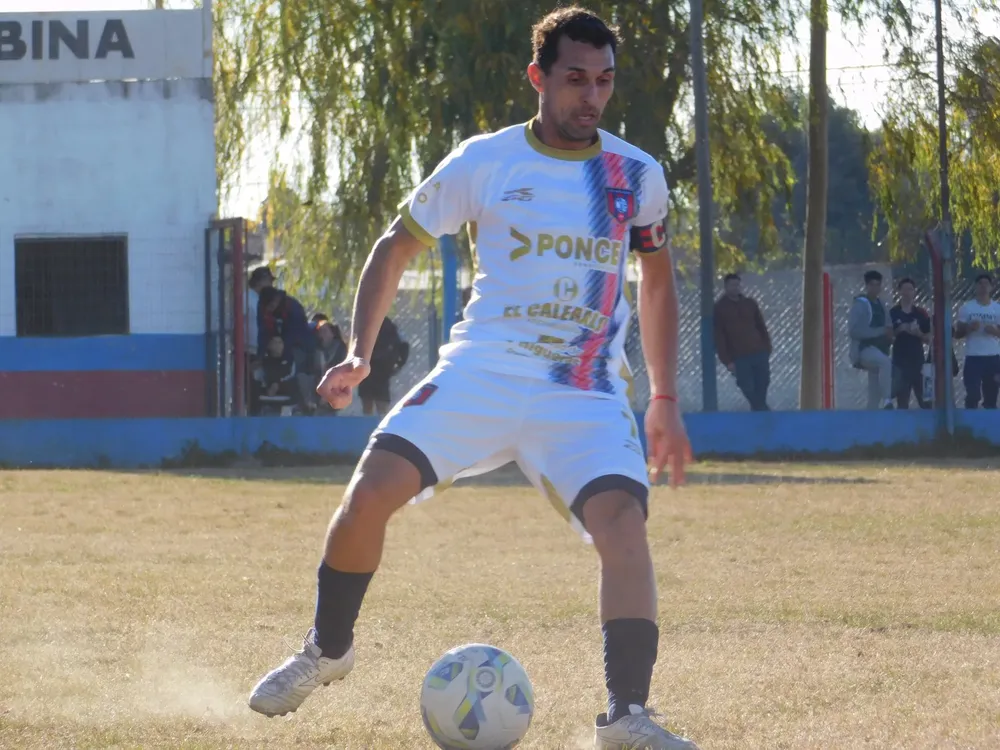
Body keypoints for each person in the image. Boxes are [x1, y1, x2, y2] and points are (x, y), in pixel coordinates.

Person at [247, 8, 697, 749]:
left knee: (625, 527)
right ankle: (327, 650)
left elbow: (656, 278)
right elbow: (395, 247)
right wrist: (359, 352)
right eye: (577, 79)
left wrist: (666, 398)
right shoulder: (484, 161)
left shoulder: (635, 175)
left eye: (605, 82)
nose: (592, 96)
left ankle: (628, 716)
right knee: (367, 495)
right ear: (539, 78)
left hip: (581, 389)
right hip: (482, 369)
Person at [713, 273, 772, 411]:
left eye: (737, 285)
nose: (735, 288)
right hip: (738, 355)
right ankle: (760, 408)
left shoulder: (750, 304)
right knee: (746, 384)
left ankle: (759, 408)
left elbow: (760, 325)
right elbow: (719, 336)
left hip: (758, 351)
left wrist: (767, 347)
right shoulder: (720, 308)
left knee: (763, 381)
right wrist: (727, 360)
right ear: (726, 287)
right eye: (732, 285)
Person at [848, 269, 895, 409]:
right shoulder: (860, 305)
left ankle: (871, 414)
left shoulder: (881, 305)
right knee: (885, 363)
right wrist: (880, 332)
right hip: (865, 349)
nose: (875, 288)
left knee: (874, 391)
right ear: (867, 286)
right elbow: (854, 331)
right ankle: (888, 400)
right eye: (872, 285)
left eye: (878, 285)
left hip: (879, 350)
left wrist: (890, 335)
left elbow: (888, 326)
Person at [955, 273, 1000, 409]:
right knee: (973, 394)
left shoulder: (997, 308)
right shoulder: (967, 308)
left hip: (993, 358)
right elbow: (958, 333)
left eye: (986, 284)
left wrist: (995, 332)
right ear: (975, 287)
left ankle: (988, 426)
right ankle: (970, 423)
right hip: (974, 357)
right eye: (980, 284)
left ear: (991, 287)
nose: (983, 287)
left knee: (991, 396)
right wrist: (969, 328)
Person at [889, 277, 931, 408]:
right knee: (902, 402)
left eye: (910, 289)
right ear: (899, 291)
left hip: (919, 362)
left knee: (927, 402)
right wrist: (899, 330)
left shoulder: (920, 313)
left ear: (915, 292)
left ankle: (929, 427)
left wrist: (918, 333)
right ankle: (901, 428)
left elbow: (929, 338)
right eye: (904, 289)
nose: (907, 292)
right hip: (900, 364)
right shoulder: (893, 313)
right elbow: (888, 337)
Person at [358, 317, 409, 416]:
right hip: (374, 370)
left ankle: (374, 423)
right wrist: (399, 364)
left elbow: (403, 346)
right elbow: (404, 345)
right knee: (374, 404)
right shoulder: (370, 326)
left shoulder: (387, 327)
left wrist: (398, 364)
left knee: (374, 406)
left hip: (377, 370)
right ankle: (375, 423)